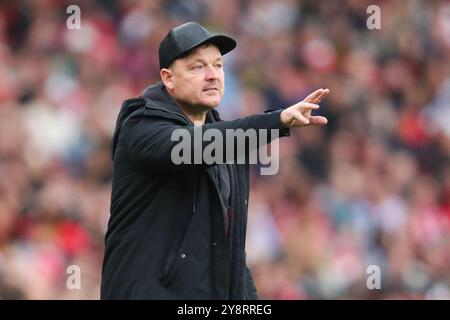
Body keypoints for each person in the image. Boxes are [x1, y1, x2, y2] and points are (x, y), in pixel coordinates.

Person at [100, 21, 329, 300]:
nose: (212, 75)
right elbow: (195, 146)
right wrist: (275, 121)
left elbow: (230, 251)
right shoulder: (141, 126)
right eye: (197, 67)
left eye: (218, 65)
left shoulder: (226, 144)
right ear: (168, 78)